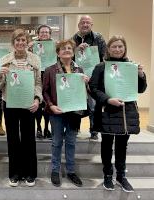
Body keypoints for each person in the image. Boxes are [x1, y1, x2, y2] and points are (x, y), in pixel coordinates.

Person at [89, 35, 147, 192]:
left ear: (125, 48)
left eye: (120, 46)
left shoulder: (131, 66)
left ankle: (121, 175)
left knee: (122, 145)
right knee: (107, 145)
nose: (117, 49)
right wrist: (108, 100)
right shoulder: (101, 67)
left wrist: (141, 75)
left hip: (126, 112)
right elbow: (93, 89)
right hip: (107, 111)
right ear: (108, 49)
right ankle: (108, 175)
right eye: (114, 46)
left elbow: (140, 89)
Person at [0, 29, 42, 187]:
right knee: (13, 139)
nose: (20, 43)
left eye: (23, 40)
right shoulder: (5, 59)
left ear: (27, 41)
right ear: (13, 43)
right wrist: (0, 75)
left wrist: (37, 99)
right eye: (17, 40)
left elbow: (38, 83)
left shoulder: (35, 59)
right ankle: (14, 173)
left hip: (29, 104)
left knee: (29, 139)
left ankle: (30, 173)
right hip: (10, 103)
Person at [43, 39, 89, 187]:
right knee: (56, 142)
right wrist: (51, 105)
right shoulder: (50, 70)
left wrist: (86, 83)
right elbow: (45, 92)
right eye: (63, 49)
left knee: (71, 142)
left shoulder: (79, 70)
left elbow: (83, 92)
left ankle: (71, 171)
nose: (67, 50)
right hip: (57, 112)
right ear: (58, 53)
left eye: (69, 48)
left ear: (73, 51)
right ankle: (55, 170)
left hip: (75, 112)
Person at [72, 15, 107, 140]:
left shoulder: (99, 38)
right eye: (83, 22)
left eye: (88, 23)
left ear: (91, 25)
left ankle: (94, 131)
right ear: (79, 25)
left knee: (93, 105)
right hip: (76, 77)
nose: (85, 25)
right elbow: (66, 56)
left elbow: (105, 56)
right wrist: (76, 49)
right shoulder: (73, 39)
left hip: (94, 77)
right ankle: (75, 130)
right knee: (77, 105)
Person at [33, 24, 53, 139]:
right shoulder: (33, 45)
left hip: (50, 76)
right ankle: (39, 128)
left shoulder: (54, 46)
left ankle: (46, 128)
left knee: (48, 104)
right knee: (38, 103)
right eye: (42, 32)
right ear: (38, 34)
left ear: (50, 34)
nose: (44, 34)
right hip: (37, 76)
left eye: (46, 32)